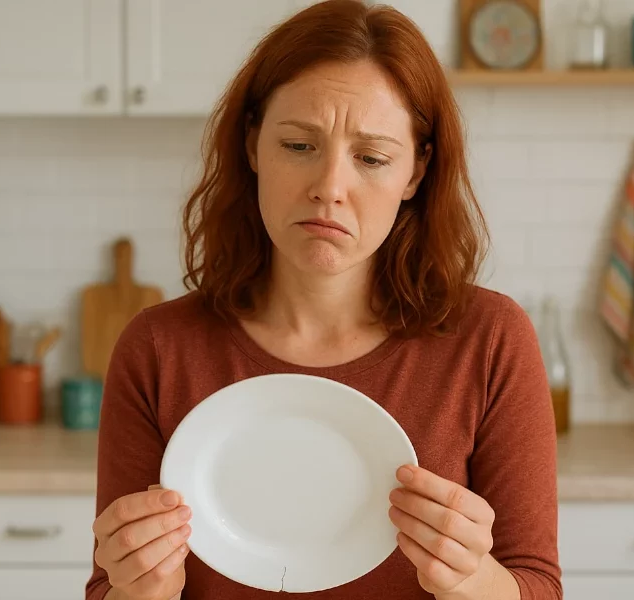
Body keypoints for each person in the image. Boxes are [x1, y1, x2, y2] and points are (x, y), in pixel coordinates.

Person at [86, 1, 561, 599]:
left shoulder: (490, 339)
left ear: (415, 172)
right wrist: (136, 590)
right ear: (254, 145)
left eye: (371, 158)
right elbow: (109, 589)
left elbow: (536, 585)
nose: (329, 188)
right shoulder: (158, 348)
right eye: (298, 145)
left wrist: (476, 582)